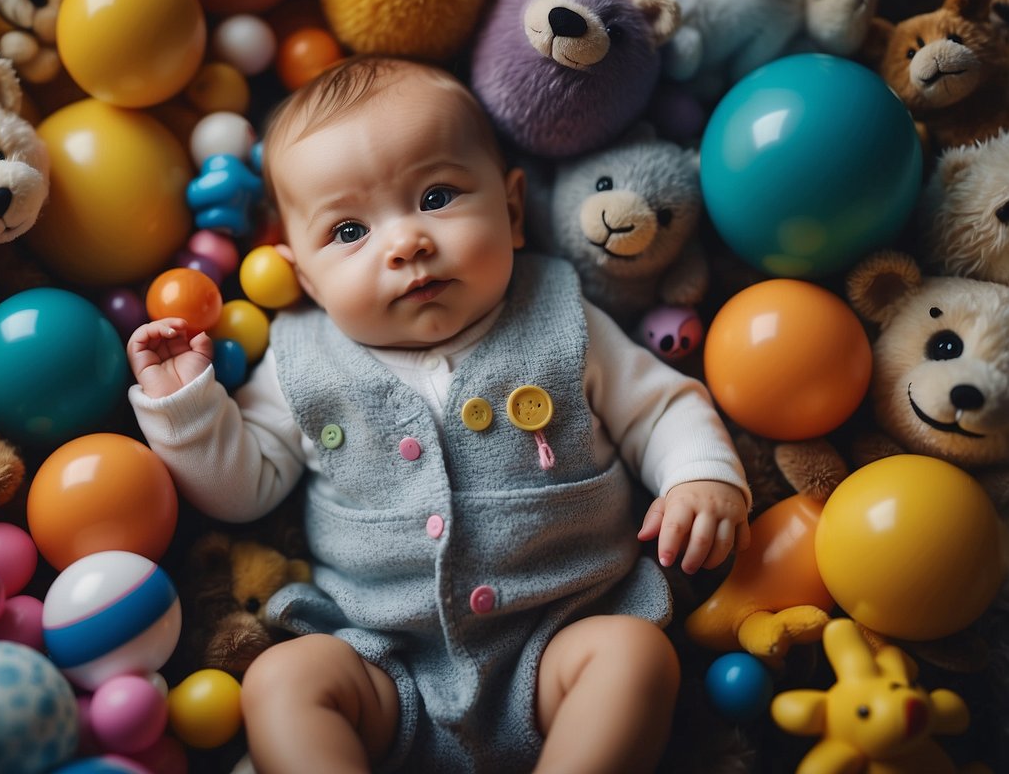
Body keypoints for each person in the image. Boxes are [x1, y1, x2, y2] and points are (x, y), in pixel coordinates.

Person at [127, 55, 751, 774]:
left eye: (436, 197)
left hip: (557, 643)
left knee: (635, 657)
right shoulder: (300, 357)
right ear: (302, 277)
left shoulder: (559, 314)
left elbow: (659, 406)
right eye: (349, 232)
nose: (406, 243)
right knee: (282, 679)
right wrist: (187, 405)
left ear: (512, 211)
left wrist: (699, 477)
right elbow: (244, 489)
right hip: (385, 668)